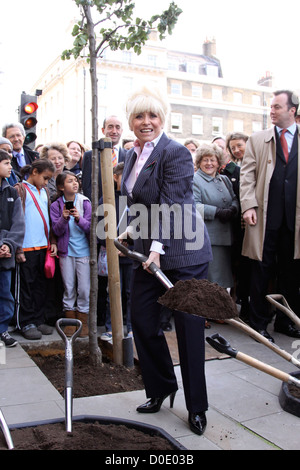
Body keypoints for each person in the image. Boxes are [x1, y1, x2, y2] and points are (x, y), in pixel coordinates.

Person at [118, 86, 212, 436]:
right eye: (139, 116)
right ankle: (161, 388)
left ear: (162, 118)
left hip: (184, 254)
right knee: (142, 321)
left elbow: (172, 205)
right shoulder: (132, 154)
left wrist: (156, 247)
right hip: (148, 252)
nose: (146, 122)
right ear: (131, 121)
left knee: (188, 331)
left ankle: (197, 407)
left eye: (152, 115)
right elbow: (138, 199)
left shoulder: (175, 153)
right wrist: (128, 229)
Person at [240, 89, 300, 341]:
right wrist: (248, 205)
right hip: (264, 216)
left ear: (292, 110)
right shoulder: (258, 139)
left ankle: (285, 322)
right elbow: (247, 175)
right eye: (271, 107)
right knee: (261, 271)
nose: (271, 111)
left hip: (294, 221)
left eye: (277, 107)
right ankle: (258, 323)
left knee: (291, 272)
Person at [14, 159, 57, 340]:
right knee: (26, 286)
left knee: (41, 285)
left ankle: (39, 319)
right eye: (45, 178)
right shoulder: (19, 190)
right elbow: (14, 219)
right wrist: (18, 248)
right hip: (26, 247)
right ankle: (25, 321)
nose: (47, 182)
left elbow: (48, 218)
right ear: (34, 172)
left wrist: (52, 241)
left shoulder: (45, 191)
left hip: (43, 246)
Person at [50, 171, 91, 337]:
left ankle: (83, 322)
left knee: (84, 288)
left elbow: (90, 227)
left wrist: (78, 218)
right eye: (70, 181)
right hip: (65, 252)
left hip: (84, 251)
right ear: (61, 186)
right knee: (68, 287)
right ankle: (69, 321)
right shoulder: (56, 205)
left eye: (76, 180)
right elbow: (56, 230)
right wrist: (64, 218)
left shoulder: (85, 202)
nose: (75, 183)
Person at [193, 143, 239, 289]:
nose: (209, 163)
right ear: (199, 162)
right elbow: (193, 206)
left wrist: (233, 209)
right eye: (205, 160)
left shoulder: (224, 179)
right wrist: (217, 212)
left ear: (218, 162)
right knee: (214, 282)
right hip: (209, 239)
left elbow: (234, 198)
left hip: (227, 238)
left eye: (212, 160)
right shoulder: (195, 180)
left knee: (226, 281)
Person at [99, 162, 132, 342]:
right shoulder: (106, 198)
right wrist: (113, 247)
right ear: (115, 177)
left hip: (132, 255)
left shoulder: (137, 198)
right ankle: (111, 327)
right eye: (123, 176)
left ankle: (132, 327)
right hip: (113, 254)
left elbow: (143, 225)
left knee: (131, 293)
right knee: (113, 292)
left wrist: (129, 248)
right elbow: (99, 228)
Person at [0, 150, 25, 347]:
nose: (10, 167)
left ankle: (2, 330)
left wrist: (8, 245)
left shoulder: (11, 192)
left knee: (5, 293)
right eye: (6, 163)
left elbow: (18, 224)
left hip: (5, 254)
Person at [81, 115, 128, 201]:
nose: (114, 131)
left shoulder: (129, 155)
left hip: (123, 206)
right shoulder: (90, 156)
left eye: (117, 127)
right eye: (110, 127)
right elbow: (87, 186)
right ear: (103, 130)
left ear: (121, 131)